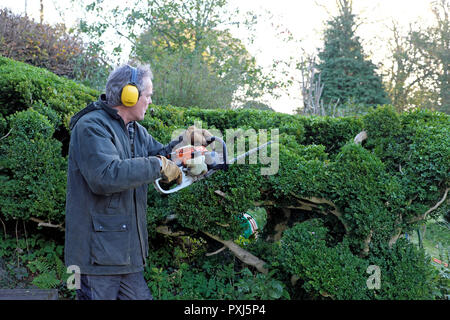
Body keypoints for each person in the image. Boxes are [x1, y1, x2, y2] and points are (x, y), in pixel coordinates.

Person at [64, 64, 211, 300]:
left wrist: (183, 143)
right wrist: (159, 165)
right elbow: (105, 175)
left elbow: (162, 155)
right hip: (95, 261)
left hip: (126, 256)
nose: (150, 102)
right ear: (129, 95)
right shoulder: (91, 126)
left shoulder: (136, 131)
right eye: (148, 96)